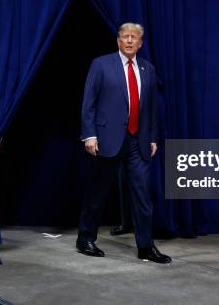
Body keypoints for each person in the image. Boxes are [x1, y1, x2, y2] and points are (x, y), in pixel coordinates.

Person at [76, 22, 171, 264]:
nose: (129, 41)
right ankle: (85, 238)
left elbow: (150, 109)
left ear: (141, 43)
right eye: (125, 37)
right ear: (118, 41)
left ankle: (146, 247)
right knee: (96, 193)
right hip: (107, 140)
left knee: (142, 195)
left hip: (138, 141)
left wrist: (151, 138)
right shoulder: (101, 64)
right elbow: (89, 102)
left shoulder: (147, 69)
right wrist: (89, 135)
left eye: (134, 37)